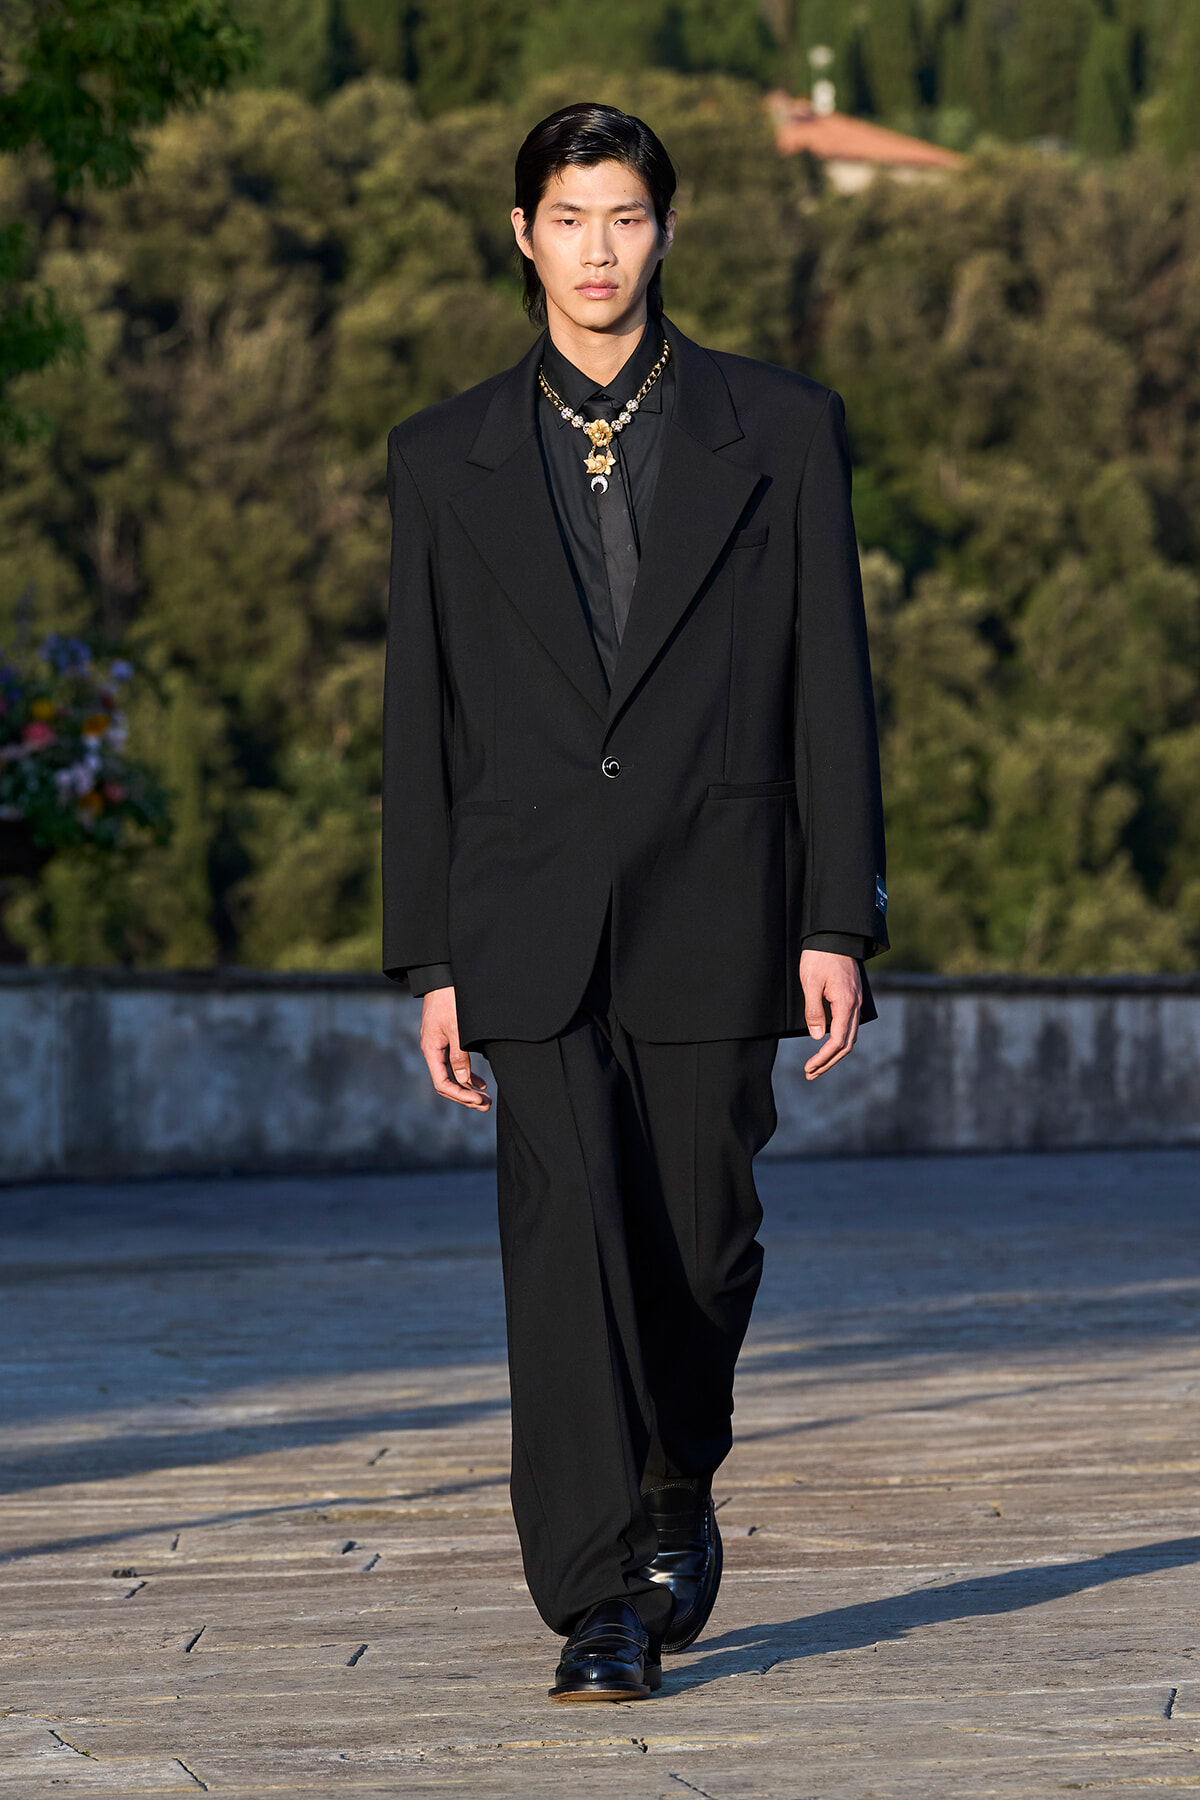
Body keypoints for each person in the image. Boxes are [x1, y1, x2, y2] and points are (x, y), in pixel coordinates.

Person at [382, 102, 887, 1703]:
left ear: (666, 232)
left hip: (722, 899)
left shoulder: (781, 430)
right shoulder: (440, 457)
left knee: (703, 1240)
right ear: (520, 234)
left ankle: (679, 1468)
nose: (598, 250)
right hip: (522, 916)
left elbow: (834, 689)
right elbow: (423, 721)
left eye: (627, 217)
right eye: (568, 217)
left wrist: (837, 916)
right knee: (563, 1243)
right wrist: (433, 952)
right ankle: (599, 1594)